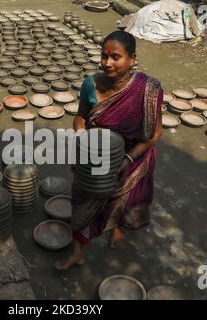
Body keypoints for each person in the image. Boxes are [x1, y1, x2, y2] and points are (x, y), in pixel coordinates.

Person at [55, 31, 163, 271]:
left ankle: (115, 227)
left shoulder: (148, 90)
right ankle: (78, 253)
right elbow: (80, 118)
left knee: (121, 201)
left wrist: (126, 158)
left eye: (116, 57)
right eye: (104, 56)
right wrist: (83, 139)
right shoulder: (90, 85)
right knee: (82, 200)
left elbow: (155, 134)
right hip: (94, 157)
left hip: (132, 155)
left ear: (132, 59)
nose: (107, 63)